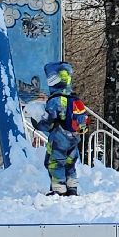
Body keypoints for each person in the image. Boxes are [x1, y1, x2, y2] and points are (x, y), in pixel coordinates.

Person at [39, 60, 86, 195]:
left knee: (54, 163)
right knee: (70, 164)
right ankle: (72, 187)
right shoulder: (73, 98)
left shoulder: (55, 100)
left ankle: (59, 189)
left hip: (59, 138)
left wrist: (39, 123)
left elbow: (49, 120)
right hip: (74, 139)